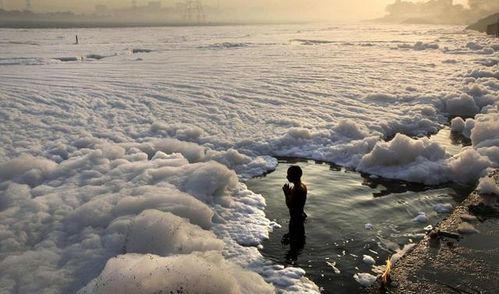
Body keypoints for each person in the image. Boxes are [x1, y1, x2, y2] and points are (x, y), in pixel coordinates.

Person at [282, 165, 307, 245]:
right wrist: (290, 194)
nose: (287, 176)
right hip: (300, 215)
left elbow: (290, 205)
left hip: (295, 219)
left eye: (289, 174)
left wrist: (286, 194)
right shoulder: (302, 186)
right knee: (298, 237)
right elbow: (297, 202)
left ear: (294, 176)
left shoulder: (297, 189)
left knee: (294, 242)